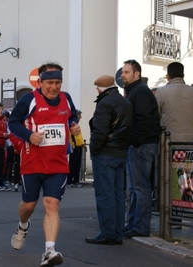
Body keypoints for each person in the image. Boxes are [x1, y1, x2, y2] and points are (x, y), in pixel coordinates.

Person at [8, 62, 80, 266]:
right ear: (40, 82)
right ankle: (23, 225)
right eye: (50, 82)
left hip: (58, 164)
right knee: (28, 205)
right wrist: (29, 135)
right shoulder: (29, 99)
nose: (54, 87)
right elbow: (12, 122)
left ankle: (49, 250)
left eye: (58, 82)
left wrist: (73, 125)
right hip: (32, 162)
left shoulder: (66, 99)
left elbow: (72, 116)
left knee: (52, 204)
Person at [85, 75, 133, 245]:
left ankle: (108, 233)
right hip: (121, 152)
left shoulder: (104, 103)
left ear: (100, 88)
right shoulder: (125, 102)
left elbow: (100, 131)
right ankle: (118, 232)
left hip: (105, 153)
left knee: (105, 195)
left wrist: (94, 151)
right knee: (118, 194)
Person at [121, 59, 161, 238]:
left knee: (141, 187)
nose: (122, 75)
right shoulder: (135, 91)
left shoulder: (140, 92)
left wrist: (135, 141)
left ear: (136, 74)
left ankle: (141, 226)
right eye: (122, 72)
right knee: (136, 187)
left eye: (126, 72)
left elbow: (144, 119)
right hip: (139, 144)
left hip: (142, 145)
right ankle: (134, 223)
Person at [155, 62, 193, 143]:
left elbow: (155, 116)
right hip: (190, 141)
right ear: (183, 76)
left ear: (168, 76)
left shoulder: (161, 92)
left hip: (169, 141)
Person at [67, 109, 85, 188]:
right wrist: (72, 146)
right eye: (79, 115)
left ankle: (75, 180)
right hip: (75, 147)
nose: (80, 117)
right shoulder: (72, 124)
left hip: (78, 146)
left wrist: (83, 145)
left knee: (77, 165)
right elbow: (72, 137)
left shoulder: (76, 124)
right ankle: (71, 180)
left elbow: (79, 137)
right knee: (73, 165)